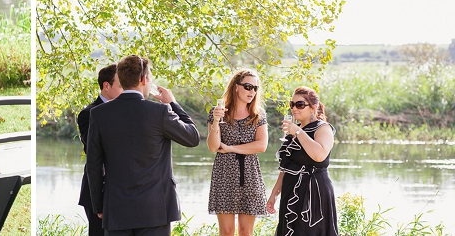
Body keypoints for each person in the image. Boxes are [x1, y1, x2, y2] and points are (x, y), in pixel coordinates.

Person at [86, 55, 200, 236]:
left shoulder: (99, 114)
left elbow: (93, 165)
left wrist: (99, 204)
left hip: (116, 209)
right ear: (143, 79)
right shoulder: (160, 111)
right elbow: (192, 137)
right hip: (155, 209)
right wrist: (173, 104)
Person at [266, 87, 338, 236]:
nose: (294, 108)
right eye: (292, 104)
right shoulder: (294, 130)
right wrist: (274, 193)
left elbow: (319, 155)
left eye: (299, 104)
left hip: (314, 191)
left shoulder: (323, 129)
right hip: (290, 189)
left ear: (314, 107)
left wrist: (298, 132)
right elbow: (286, 166)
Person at [207, 70, 268, 236]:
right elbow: (213, 147)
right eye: (248, 87)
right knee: (226, 232)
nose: (252, 92)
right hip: (224, 175)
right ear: (236, 87)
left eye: (255, 88)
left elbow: (261, 146)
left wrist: (230, 148)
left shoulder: (258, 114)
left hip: (249, 175)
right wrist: (216, 121)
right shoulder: (217, 111)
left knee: (245, 232)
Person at [77, 64, 124, 236]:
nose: (124, 90)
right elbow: (93, 152)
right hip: (98, 190)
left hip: (123, 192)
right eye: (120, 86)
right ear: (106, 85)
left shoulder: (126, 112)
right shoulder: (88, 114)